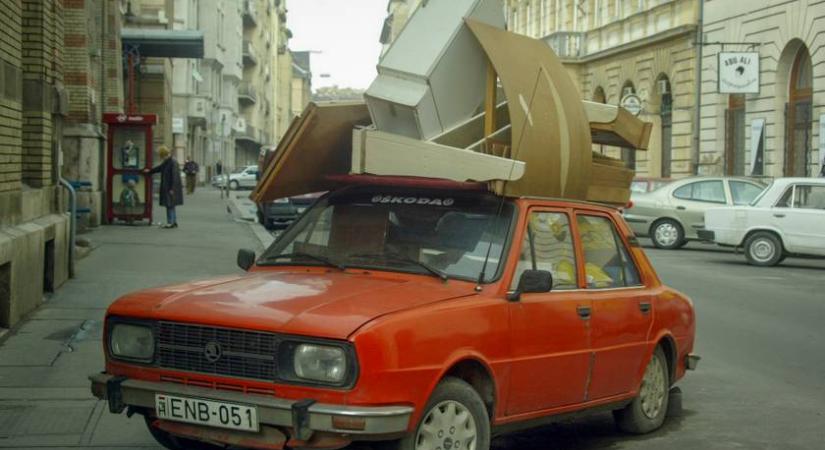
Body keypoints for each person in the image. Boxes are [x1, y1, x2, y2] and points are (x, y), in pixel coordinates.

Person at [144, 145, 183, 228]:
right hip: (169, 187)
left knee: (169, 205)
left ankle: (170, 222)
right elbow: (159, 168)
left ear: (164, 154)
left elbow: (174, 176)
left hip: (170, 187)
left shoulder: (172, 162)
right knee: (171, 205)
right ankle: (173, 221)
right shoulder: (168, 161)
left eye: (161, 156)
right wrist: (150, 171)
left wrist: (172, 188)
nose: (161, 158)